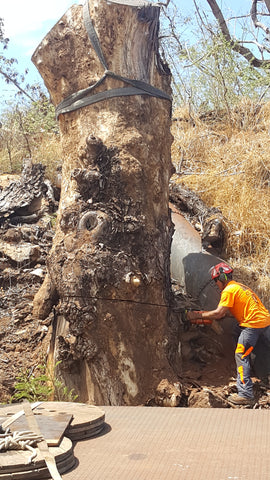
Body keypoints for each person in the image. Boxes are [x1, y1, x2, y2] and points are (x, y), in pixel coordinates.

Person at [187, 262, 270, 405]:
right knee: (258, 347)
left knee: (241, 353)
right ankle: (265, 378)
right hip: (265, 323)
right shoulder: (241, 287)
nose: (216, 285)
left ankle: (245, 394)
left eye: (215, 281)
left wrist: (196, 316)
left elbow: (218, 313)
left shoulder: (228, 290)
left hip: (252, 324)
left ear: (221, 278)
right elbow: (236, 310)